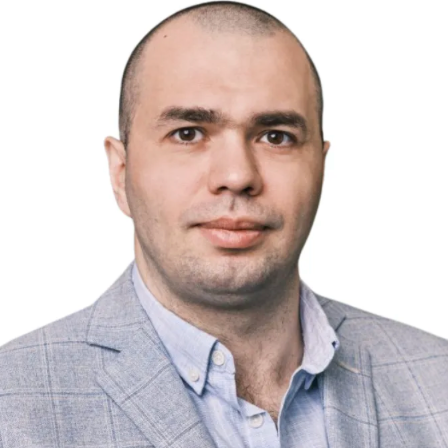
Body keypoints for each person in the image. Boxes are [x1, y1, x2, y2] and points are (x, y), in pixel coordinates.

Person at [0, 1, 447, 447]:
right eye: (188, 133)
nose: (237, 175)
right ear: (121, 174)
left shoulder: (437, 380)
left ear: (320, 167)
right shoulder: (12, 402)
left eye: (276, 137)